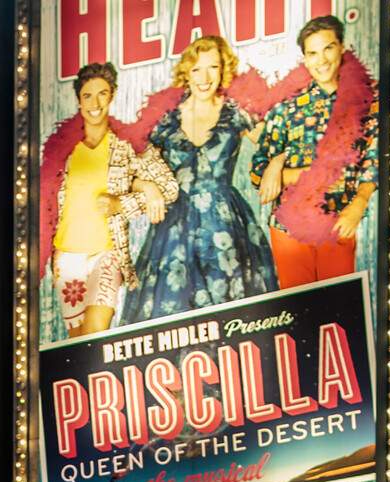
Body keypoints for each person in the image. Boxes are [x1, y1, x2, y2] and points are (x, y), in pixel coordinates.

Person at [120, 35, 277, 325]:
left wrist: (276, 165)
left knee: (233, 318)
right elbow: (126, 170)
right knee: (173, 318)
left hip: (226, 227)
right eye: (196, 69)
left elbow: (278, 144)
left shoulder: (237, 113)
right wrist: (148, 187)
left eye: (213, 68)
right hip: (173, 231)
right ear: (186, 73)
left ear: (223, 70)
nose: (205, 78)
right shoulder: (164, 119)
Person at [43, 61, 176, 337]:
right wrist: (140, 184)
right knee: (77, 341)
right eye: (87, 95)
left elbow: (168, 188)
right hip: (67, 257)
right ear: (78, 100)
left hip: (107, 253)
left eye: (102, 93)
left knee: (95, 332)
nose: (95, 102)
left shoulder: (128, 144)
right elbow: (44, 202)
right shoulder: (62, 148)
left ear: (112, 94)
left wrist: (125, 201)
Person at [249, 14, 377, 289]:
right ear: (305, 59)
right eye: (313, 53)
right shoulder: (288, 108)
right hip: (289, 228)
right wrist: (282, 168)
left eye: (328, 48)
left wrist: (358, 204)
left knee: (339, 313)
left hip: (337, 219)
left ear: (342, 47)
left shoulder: (366, 103)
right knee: (298, 315)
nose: (322, 60)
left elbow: (373, 160)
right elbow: (258, 172)